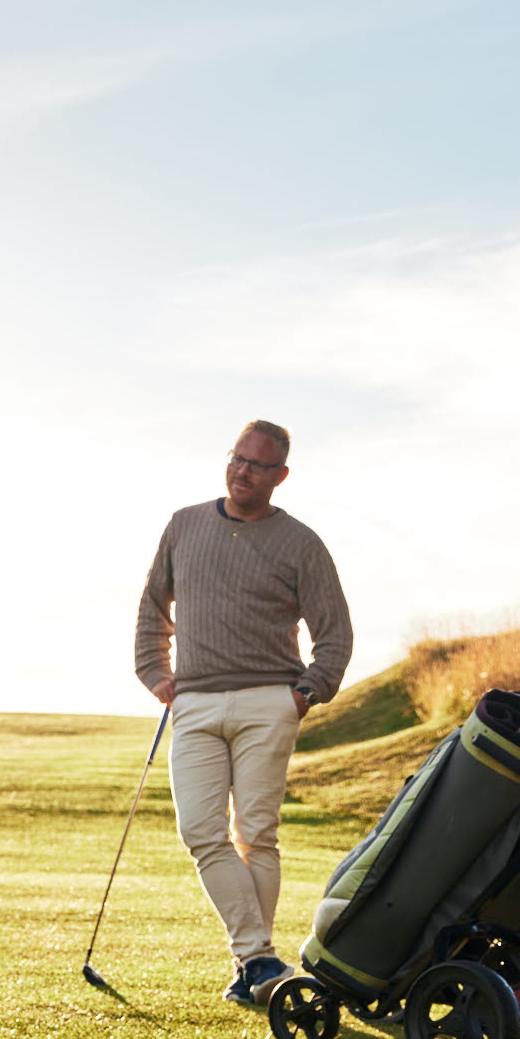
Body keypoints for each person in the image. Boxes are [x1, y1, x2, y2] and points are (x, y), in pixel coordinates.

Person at [133, 419, 354, 1007]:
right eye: (236, 458)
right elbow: (154, 605)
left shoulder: (300, 543)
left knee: (256, 835)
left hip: (269, 702)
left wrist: (306, 693)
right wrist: (156, 674)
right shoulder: (185, 525)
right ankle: (258, 959)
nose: (242, 471)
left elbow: (334, 632)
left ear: (280, 476)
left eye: (257, 465)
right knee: (201, 832)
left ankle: (250, 965)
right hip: (196, 702)